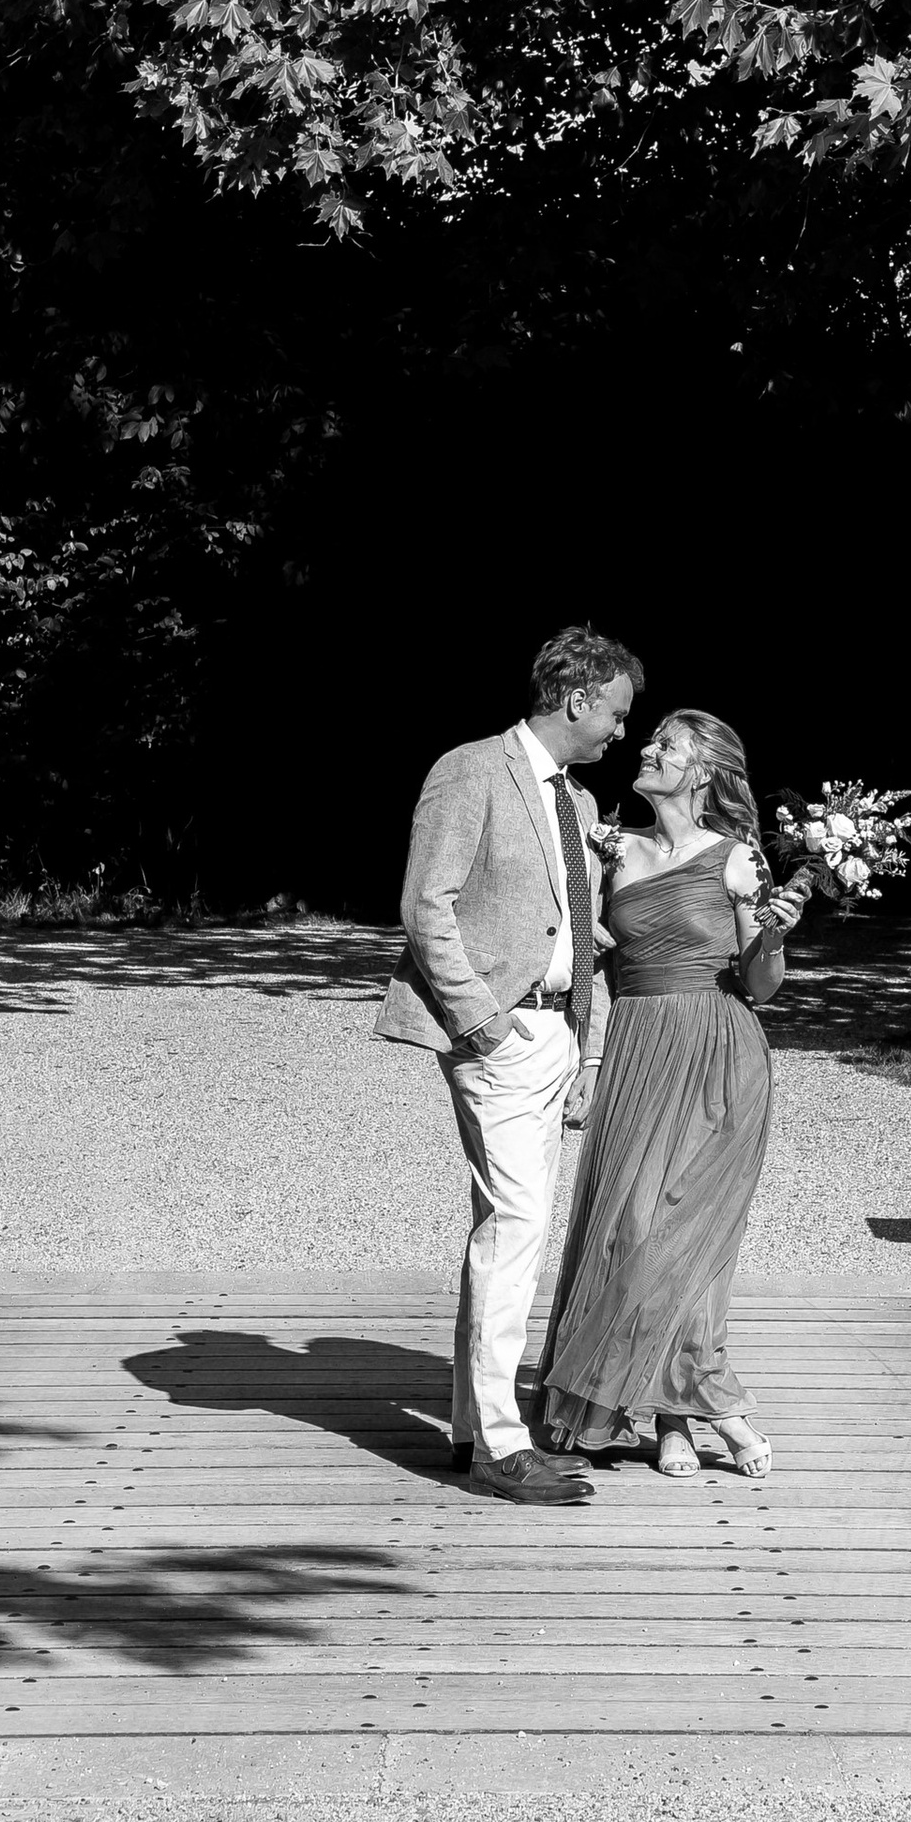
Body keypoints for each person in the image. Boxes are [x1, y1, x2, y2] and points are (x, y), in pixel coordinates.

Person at [377, 627, 641, 1507]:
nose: (621, 732)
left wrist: (586, 1044)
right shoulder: (470, 770)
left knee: (510, 1228)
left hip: (556, 1033)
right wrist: (481, 1022)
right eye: (615, 713)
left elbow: (576, 927)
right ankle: (499, 1444)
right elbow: (427, 905)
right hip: (499, 1032)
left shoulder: (581, 801)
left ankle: (471, 1427)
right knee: (516, 1227)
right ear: (577, 699)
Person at [538, 708, 804, 1479]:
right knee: (629, 1233)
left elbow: (762, 986)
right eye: (651, 740)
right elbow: (591, 968)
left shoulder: (739, 859)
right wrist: (589, 1062)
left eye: (667, 746)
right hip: (636, 1052)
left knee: (683, 1240)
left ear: (705, 772)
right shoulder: (612, 850)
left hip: (719, 1054)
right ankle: (687, 1413)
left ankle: (692, 1411)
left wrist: (773, 936)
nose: (647, 750)